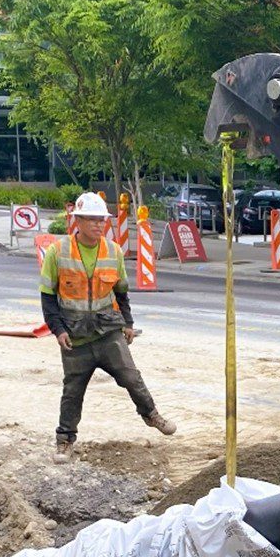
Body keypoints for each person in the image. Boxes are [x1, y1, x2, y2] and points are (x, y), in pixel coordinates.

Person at [40, 191, 175, 458]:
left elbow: (121, 292)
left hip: (107, 331)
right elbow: (47, 296)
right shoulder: (58, 251)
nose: (99, 225)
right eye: (92, 220)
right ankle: (65, 440)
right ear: (77, 221)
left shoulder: (113, 251)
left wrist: (127, 323)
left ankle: (151, 415)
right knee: (73, 390)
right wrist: (58, 330)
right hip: (75, 336)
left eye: (101, 220)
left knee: (131, 376)